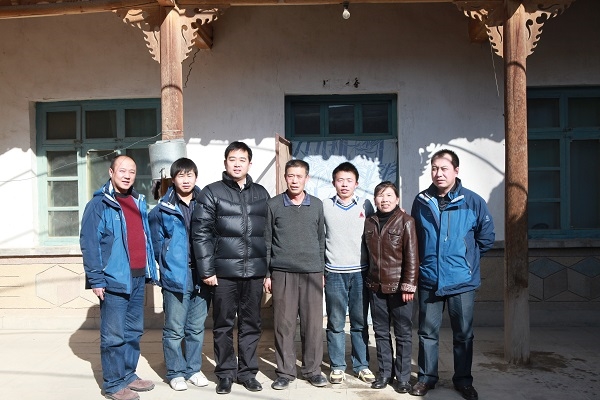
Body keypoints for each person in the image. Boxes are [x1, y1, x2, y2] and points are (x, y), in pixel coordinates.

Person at [410, 149, 495, 400]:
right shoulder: (421, 201)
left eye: (444, 168)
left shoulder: (473, 201)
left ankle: (463, 381)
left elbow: (486, 238)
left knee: (463, 334)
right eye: (434, 168)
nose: (439, 173)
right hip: (430, 278)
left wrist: (467, 261)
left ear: (456, 171)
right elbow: (415, 237)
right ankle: (426, 378)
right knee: (427, 333)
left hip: (461, 281)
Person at [191, 141, 270, 395]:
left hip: (254, 272)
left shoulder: (261, 193)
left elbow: (269, 235)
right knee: (223, 324)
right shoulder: (211, 192)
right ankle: (225, 373)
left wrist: (268, 271)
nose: (237, 164)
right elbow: (200, 233)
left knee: (251, 324)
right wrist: (207, 270)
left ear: (250, 163)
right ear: (225, 163)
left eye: (242, 160)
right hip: (223, 274)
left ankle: (247, 373)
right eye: (232, 159)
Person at [80, 155, 158, 400]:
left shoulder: (138, 201)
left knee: (133, 331)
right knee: (113, 335)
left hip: (138, 277)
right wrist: (96, 279)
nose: (127, 175)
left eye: (132, 171)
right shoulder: (99, 204)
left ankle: (128, 375)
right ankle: (113, 384)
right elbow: (89, 242)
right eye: (122, 170)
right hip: (113, 279)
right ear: (111, 172)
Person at [263, 159, 328, 390]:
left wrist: (321, 270)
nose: (294, 180)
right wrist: (268, 273)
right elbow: (267, 241)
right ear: (285, 177)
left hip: (312, 272)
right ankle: (285, 372)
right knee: (284, 325)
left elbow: (321, 240)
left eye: (299, 176)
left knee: (313, 325)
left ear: (306, 178)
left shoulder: (317, 205)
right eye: (290, 176)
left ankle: (312, 370)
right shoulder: (273, 205)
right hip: (283, 272)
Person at [149, 158, 211, 391]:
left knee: (196, 327)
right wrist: (167, 267)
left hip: (202, 275)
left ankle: (193, 369)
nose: (186, 180)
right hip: (176, 275)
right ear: (173, 179)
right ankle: (175, 372)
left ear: (196, 177)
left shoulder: (206, 203)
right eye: (181, 176)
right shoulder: (161, 210)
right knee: (174, 329)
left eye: (189, 175)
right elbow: (156, 245)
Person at [323, 162, 376, 385]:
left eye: (349, 180)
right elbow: (319, 237)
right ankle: (337, 366)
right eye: (340, 180)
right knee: (335, 322)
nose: (344, 185)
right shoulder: (325, 205)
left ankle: (361, 365)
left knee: (359, 321)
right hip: (334, 273)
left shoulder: (366, 205)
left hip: (360, 273)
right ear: (334, 182)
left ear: (356, 183)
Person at [364, 181, 419, 393]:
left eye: (388, 195)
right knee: (380, 332)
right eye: (380, 195)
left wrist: (409, 285)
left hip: (399, 288)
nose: (384, 199)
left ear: (397, 199)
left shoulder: (406, 221)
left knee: (403, 333)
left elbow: (412, 256)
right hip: (376, 286)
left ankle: (403, 378)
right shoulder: (369, 222)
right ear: (375, 199)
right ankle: (385, 373)